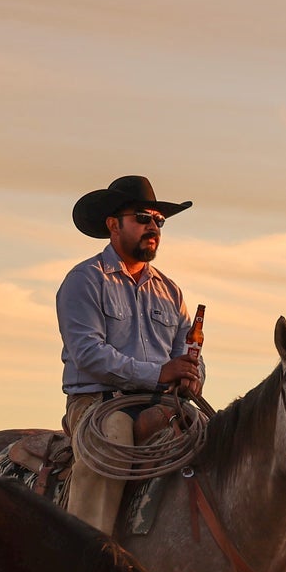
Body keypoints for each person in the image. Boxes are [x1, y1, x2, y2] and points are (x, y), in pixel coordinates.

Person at [54, 175, 203, 536]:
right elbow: (89, 354)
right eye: (142, 217)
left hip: (159, 402)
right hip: (97, 402)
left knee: (215, 442)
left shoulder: (171, 292)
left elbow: (187, 354)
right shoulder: (85, 280)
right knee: (112, 444)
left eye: (159, 220)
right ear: (113, 224)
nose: (153, 227)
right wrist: (159, 373)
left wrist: (191, 376)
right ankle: (88, 557)